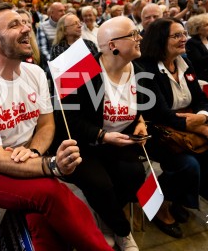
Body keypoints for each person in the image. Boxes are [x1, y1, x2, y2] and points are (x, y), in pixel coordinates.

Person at [0, 2, 112, 251]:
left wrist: (35, 152)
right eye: (13, 25)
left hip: (27, 156)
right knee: (51, 192)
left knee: (41, 221)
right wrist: (50, 165)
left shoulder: (35, 73)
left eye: (23, 22)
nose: (25, 28)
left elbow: (45, 124)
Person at [52, 16, 147, 250]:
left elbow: (144, 106)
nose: (140, 38)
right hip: (83, 143)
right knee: (100, 184)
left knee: (135, 174)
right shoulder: (80, 72)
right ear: (113, 45)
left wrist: (141, 122)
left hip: (120, 142)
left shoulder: (142, 71)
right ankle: (122, 230)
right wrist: (102, 136)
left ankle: (106, 219)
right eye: (133, 35)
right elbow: (67, 121)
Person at [138, 17, 208, 239]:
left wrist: (203, 116)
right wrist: (206, 129)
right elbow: (160, 114)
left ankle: (180, 197)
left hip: (187, 128)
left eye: (184, 34)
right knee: (188, 166)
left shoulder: (184, 62)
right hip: (158, 134)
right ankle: (158, 205)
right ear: (161, 40)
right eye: (177, 35)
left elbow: (202, 100)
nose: (184, 39)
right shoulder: (144, 69)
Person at [185, 14, 208, 82]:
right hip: (205, 75)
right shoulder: (192, 43)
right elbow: (199, 62)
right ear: (197, 29)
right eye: (206, 25)